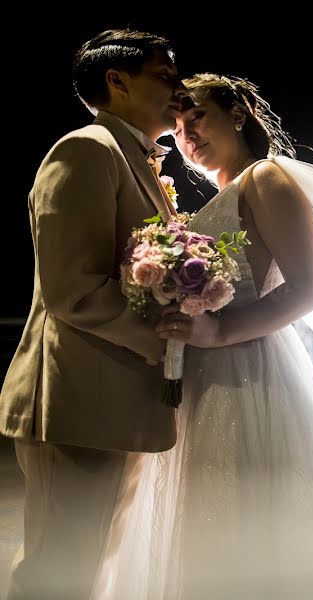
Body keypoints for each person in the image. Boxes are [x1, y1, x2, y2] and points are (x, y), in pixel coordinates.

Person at [100, 73, 313, 599]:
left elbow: (309, 289)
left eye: (198, 117)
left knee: (245, 516)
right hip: (198, 377)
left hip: (249, 372)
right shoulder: (217, 197)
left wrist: (218, 331)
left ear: (237, 114)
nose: (187, 135)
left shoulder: (267, 179)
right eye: (178, 127)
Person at [0, 29, 186, 598]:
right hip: (78, 399)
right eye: (165, 74)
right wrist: (168, 343)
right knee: (61, 568)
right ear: (117, 81)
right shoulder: (86, 149)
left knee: (92, 563)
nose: (179, 88)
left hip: (113, 401)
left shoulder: (135, 159)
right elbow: (73, 288)